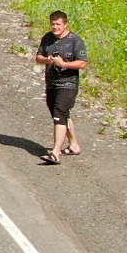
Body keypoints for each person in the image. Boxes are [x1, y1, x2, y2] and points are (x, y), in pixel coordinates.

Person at [34, 10, 88, 164]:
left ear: (65, 24)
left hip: (68, 83)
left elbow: (82, 62)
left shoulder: (75, 40)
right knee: (60, 115)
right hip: (51, 83)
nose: (55, 27)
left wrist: (63, 64)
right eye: (53, 24)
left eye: (58, 24)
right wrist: (48, 60)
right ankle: (74, 145)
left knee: (59, 113)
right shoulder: (48, 38)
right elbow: (38, 57)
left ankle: (55, 152)